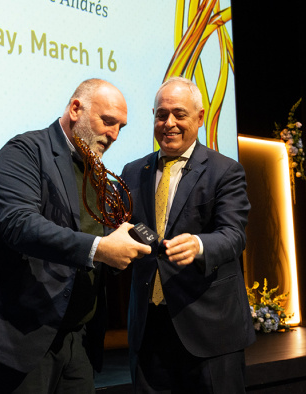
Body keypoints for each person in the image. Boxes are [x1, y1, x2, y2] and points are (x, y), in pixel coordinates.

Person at [0, 78, 152, 393]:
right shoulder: (24, 152)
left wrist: (122, 249)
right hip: (18, 339)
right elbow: (19, 224)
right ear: (76, 108)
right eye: (108, 122)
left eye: (121, 127)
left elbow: (96, 240)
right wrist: (100, 248)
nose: (114, 135)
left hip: (78, 341)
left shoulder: (98, 173)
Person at [120, 77, 255, 393]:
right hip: (148, 331)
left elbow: (234, 235)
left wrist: (199, 244)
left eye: (179, 114)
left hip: (210, 330)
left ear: (200, 117)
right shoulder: (131, 172)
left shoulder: (225, 170)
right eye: (161, 114)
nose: (169, 123)